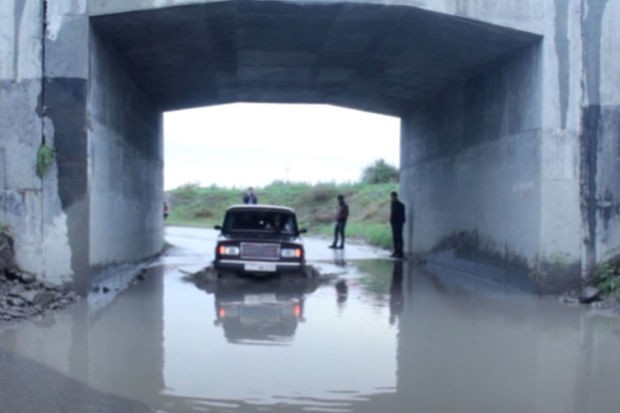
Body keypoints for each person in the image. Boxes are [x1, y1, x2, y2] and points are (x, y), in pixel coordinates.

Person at [390, 191, 406, 258]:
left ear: (396, 196)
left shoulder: (401, 205)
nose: (392, 198)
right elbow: (392, 214)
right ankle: (396, 251)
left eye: (393, 196)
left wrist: (400, 223)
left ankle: (400, 253)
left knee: (399, 238)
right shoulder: (392, 204)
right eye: (391, 197)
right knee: (395, 238)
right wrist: (391, 221)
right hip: (394, 223)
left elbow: (402, 216)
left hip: (399, 223)